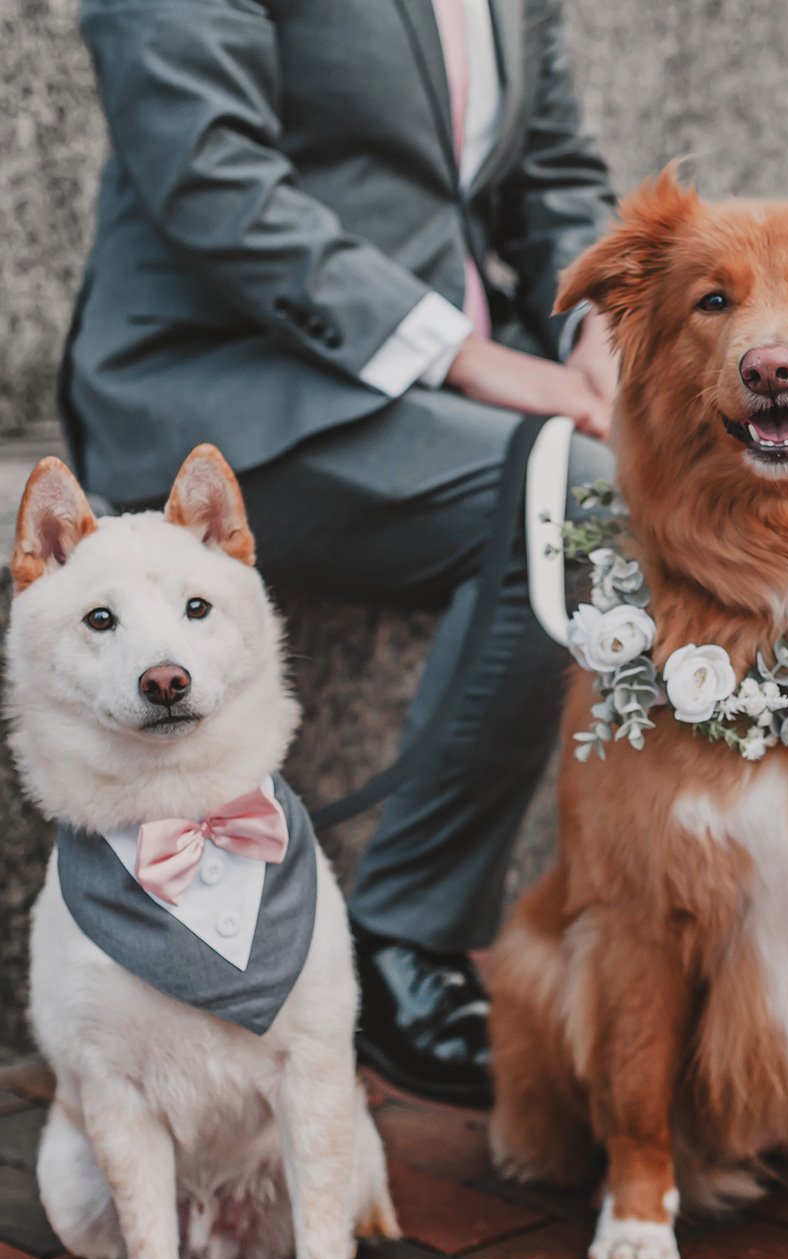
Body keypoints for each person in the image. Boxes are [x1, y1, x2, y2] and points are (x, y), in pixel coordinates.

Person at [60, 0, 625, 1104]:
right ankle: (403, 933)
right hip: (227, 381)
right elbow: (207, 170)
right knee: (584, 505)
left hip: (462, 376)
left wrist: (598, 323)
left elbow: (552, 172)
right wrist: (465, 361)